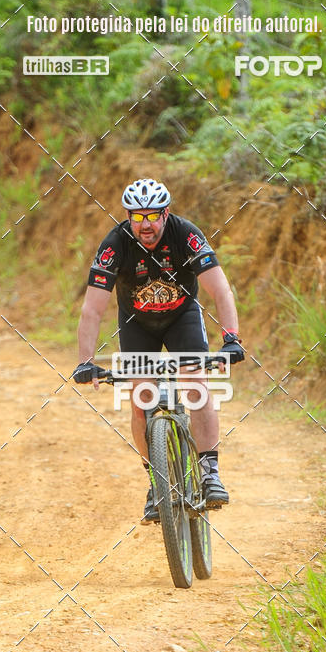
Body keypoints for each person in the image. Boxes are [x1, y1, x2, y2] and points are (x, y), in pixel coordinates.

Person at [73, 178, 244, 522]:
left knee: (196, 385)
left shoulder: (186, 234)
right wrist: (85, 361)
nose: (145, 225)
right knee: (141, 401)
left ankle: (209, 471)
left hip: (182, 317)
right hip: (137, 323)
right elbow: (92, 309)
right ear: (128, 218)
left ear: (166, 214)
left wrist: (231, 337)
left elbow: (220, 289)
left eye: (152, 216)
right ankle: (156, 483)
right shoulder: (115, 244)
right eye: (137, 217)